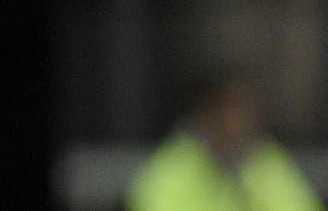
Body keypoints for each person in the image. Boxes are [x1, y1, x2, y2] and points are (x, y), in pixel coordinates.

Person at [125, 68, 323, 211]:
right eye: (228, 110)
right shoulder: (171, 168)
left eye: (244, 110)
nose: (237, 122)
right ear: (206, 111)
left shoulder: (267, 162)